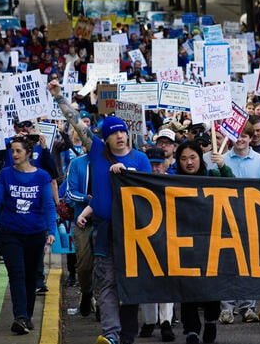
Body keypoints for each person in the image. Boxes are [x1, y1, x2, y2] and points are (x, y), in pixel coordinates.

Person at [48, 79, 151, 344]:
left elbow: (149, 194)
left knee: (130, 284)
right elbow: (76, 123)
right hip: (105, 230)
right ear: (105, 138)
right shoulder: (97, 152)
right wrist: (59, 97)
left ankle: (127, 334)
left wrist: (125, 175)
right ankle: (111, 334)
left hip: (134, 232)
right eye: (113, 133)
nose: (119, 136)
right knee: (106, 284)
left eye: (122, 131)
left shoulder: (140, 160)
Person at [208, 122, 260, 325]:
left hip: (251, 220)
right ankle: (227, 308)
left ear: (251, 138)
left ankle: (248, 307)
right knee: (227, 263)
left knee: (250, 264)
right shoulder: (221, 159)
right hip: (226, 219)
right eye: (237, 135)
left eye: (245, 136)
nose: (241, 139)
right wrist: (216, 166)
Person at [0, 135, 56, 335]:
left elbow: (48, 204)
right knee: (17, 274)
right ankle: (20, 316)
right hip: (10, 233)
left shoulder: (42, 176)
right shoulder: (5, 174)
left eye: (18, 151)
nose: (14, 154)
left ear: (28, 153)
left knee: (30, 276)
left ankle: (27, 316)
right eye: (12, 151)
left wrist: (52, 230)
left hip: (35, 233)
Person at [177, 141, 234, 344]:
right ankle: (191, 330)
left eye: (192, 157)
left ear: (200, 158)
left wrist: (223, 166)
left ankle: (210, 321)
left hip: (212, 240)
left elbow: (234, 186)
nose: (189, 163)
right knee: (187, 286)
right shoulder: (172, 180)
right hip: (184, 242)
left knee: (211, 284)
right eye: (184, 159)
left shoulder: (212, 175)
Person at [138, 148, 175, 342]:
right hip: (145, 235)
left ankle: (166, 321)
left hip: (169, 235)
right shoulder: (139, 181)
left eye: (158, 164)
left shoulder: (173, 180)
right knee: (147, 278)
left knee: (168, 278)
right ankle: (150, 320)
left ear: (165, 164)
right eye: (151, 164)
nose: (155, 168)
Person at [64, 151, 95, 317]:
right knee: (84, 265)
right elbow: (70, 192)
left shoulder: (111, 161)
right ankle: (87, 292)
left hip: (105, 221)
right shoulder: (77, 163)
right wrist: (86, 198)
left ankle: (102, 302)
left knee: (105, 265)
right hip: (82, 222)